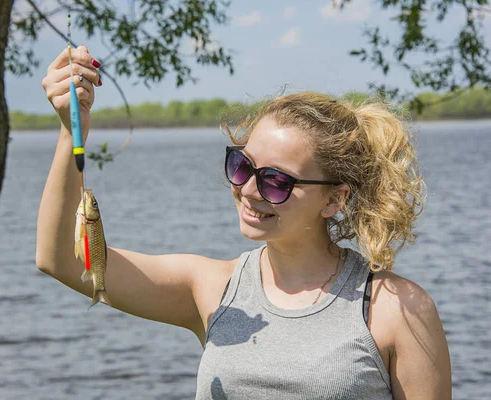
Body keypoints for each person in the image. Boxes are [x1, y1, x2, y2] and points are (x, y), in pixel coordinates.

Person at [37, 46, 452, 399]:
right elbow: (63, 261)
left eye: (276, 181)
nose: (249, 190)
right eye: (243, 166)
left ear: (334, 199)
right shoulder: (212, 289)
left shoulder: (398, 310)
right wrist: (70, 130)